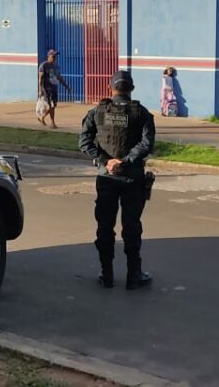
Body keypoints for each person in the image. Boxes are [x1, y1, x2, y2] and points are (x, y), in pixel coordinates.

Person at [79, 70, 156, 290]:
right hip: (132, 177)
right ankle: (134, 275)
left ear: (110, 88)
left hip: (106, 177)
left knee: (105, 226)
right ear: (131, 89)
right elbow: (146, 144)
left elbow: (84, 142)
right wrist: (125, 161)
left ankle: (107, 274)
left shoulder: (97, 112)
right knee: (131, 227)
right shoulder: (141, 114)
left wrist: (107, 161)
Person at [37, 49, 71, 128]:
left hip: (54, 87)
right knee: (51, 105)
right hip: (46, 88)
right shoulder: (43, 65)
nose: (54, 58)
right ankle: (52, 123)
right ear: (48, 56)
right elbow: (40, 79)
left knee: (53, 106)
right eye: (53, 56)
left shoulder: (55, 66)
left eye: (55, 56)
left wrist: (66, 86)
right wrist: (40, 90)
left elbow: (59, 77)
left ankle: (42, 117)